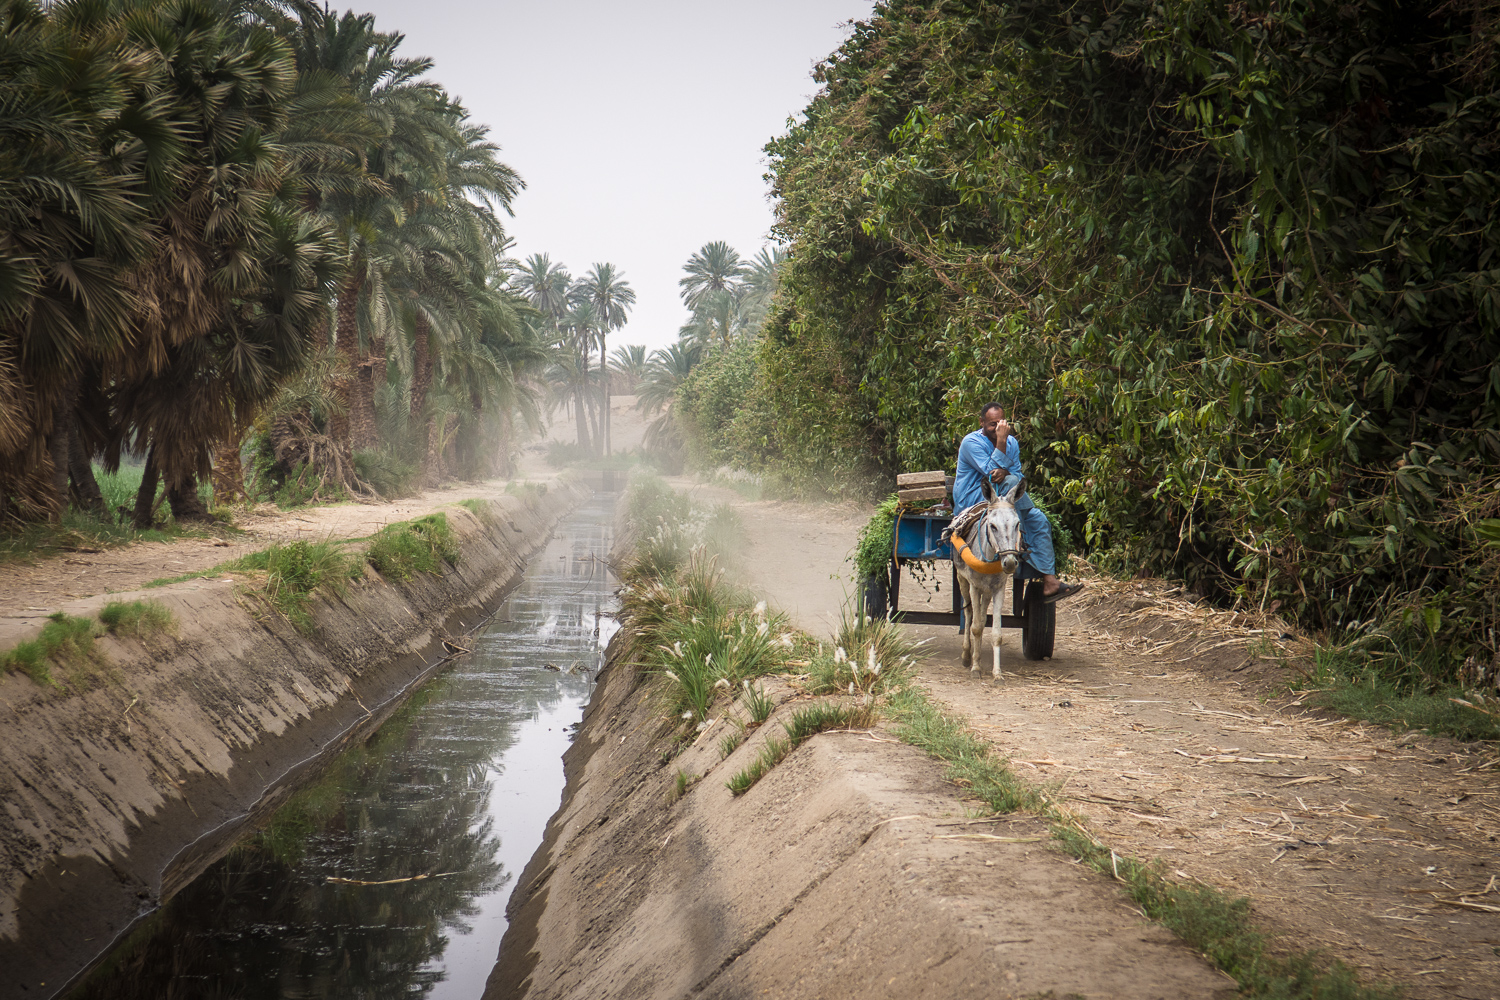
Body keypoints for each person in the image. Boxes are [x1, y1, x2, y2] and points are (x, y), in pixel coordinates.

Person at [952, 402, 1082, 602]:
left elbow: (1017, 475)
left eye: (1000, 424)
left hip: (1006, 501)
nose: (997, 429)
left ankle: (1050, 581)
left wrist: (1005, 468)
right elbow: (991, 474)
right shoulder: (971, 442)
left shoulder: (1012, 442)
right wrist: (1001, 442)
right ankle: (1018, 537)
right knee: (1011, 481)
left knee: (1038, 519)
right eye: (992, 425)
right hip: (976, 500)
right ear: (981, 422)